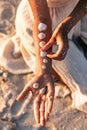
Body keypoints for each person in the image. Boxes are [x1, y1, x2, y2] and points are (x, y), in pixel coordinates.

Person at [0, 0, 87, 127]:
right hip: (46, 29)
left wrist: (66, 25)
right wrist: (44, 69)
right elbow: (42, 20)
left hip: (78, 12)